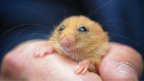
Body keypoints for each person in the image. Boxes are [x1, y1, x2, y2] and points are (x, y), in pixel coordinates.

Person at [0, 0, 143, 81]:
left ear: (102, 36)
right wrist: (30, 43)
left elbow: (96, 61)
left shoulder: (100, 47)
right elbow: (22, 13)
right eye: (62, 28)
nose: (65, 39)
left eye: (82, 30)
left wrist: (88, 63)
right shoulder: (56, 40)